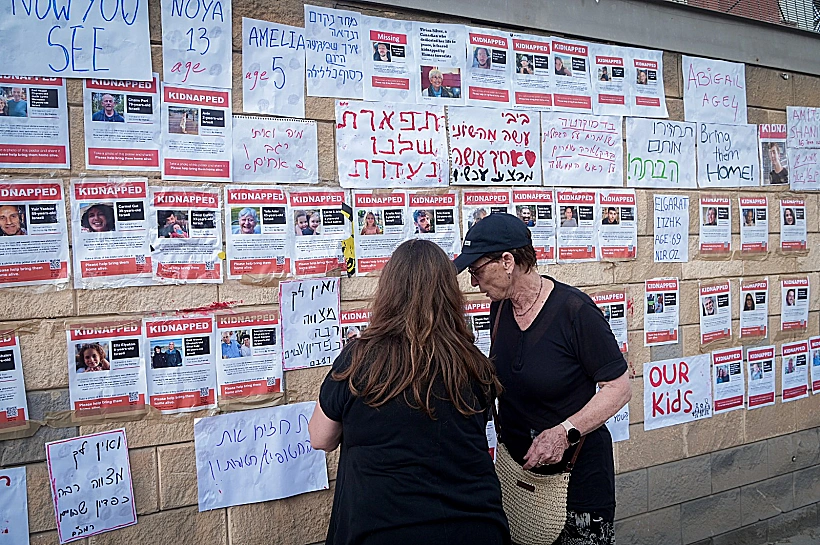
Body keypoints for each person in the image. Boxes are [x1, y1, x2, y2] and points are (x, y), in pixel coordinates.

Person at [309, 239, 510, 545]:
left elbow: (320, 438)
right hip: (475, 527)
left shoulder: (358, 359)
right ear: (448, 293)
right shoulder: (474, 363)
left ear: (389, 290)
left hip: (382, 530)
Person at [452, 213, 630, 545]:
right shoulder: (500, 309)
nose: (474, 283)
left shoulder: (575, 311)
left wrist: (565, 432)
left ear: (507, 261)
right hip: (520, 477)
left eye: (476, 270)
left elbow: (619, 388)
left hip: (578, 479)